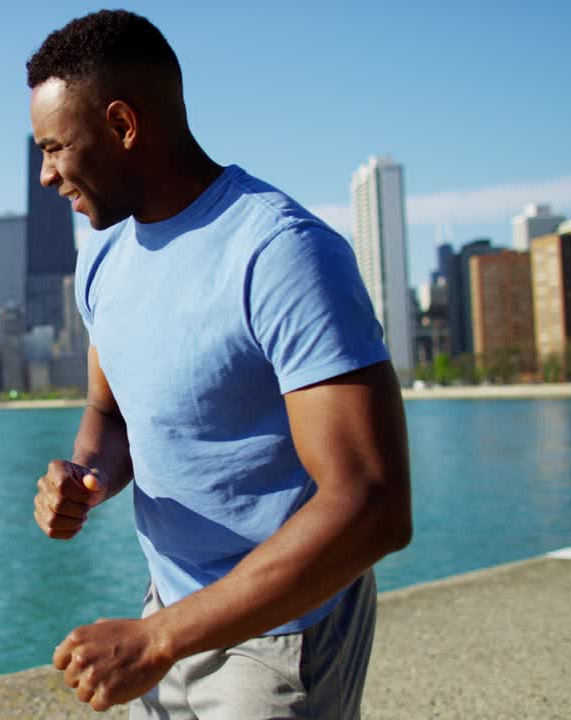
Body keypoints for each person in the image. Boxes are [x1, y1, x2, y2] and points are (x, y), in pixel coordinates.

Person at [26, 11, 412, 719]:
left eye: (56, 148)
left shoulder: (283, 254)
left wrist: (156, 641)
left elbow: (375, 506)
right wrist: (89, 475)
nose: (48, 174)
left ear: (122, 125)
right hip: (167, 613)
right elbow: (109, 412)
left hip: (280, 636)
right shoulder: (103, 258)